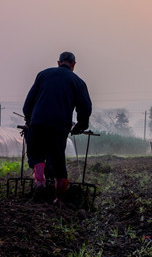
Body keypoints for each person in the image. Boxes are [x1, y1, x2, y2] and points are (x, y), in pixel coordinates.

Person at [23, 51, 92, 203]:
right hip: (58, 127)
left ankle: (40, 183)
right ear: (73, 65)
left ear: (59, 63)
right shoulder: (77, 82)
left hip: (37, 124)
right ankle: (59, 198)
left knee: (36, 155)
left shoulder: (43, 75)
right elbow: (85, 108)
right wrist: (80, 126)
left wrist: (29, 120)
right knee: (58, 161)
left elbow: (29, 102)